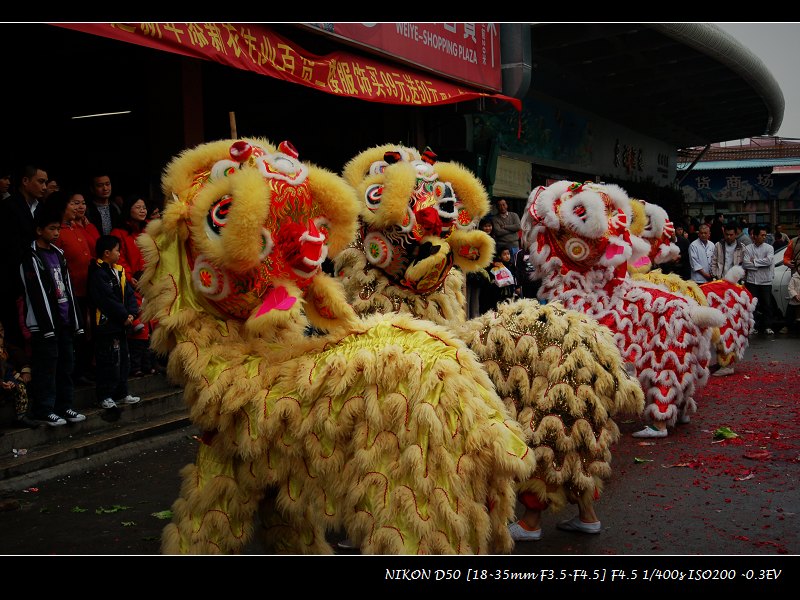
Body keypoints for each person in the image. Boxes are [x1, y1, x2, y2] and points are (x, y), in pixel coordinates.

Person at [19, 205, 86, 426]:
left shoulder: (58, 254)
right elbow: (36, 293)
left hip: (64, 320)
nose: (56, 233)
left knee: (66, 365)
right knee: (47, 367)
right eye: (52, 228)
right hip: (45, 324)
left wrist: (75, 322)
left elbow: (68, 287)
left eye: (58, 228)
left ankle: (64, 406)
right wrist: (46, 327)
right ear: (39, 230)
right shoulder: (31, 257)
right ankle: (44, 408)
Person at [87, 235, 141, 410]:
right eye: (117, 250)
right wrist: (124, 315)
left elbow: (130, 295)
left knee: (123, 360)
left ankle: (122, 392)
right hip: (106, 326)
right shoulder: (97, 273)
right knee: (107, 360)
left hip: (121, 325)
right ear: (107, 253)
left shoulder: (119, 271)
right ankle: (105, 395)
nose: (119, 254)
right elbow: (107, 299)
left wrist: (132, 313)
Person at [51, 190, 98, 384]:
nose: (76, 208)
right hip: (70, 292)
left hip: (88, 288)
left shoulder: (78, 228)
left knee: (89, 330)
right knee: (76, 332)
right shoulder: (57, 232)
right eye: (72, 204)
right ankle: (76, 373)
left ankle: (86, 368)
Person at [0, 164, 49, 350]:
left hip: (37, 276)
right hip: (14, 278)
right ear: (26, 181)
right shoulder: (8, 207)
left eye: (46, 182)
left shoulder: (40, 208)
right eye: (41, 181)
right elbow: (10, 248)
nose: (44, 187)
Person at [0, 321, 38, 429]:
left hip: (6, 380)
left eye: (1, 330)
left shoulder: (6, 348)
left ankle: (22, 416)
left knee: (20, 386)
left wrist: (16, 377)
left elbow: (8, 368)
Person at [743, 224, 775, 335]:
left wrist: (755, 261)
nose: (764, 237)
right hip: (752, 281)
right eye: (762, 235)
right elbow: (746, 264)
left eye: (765, 235)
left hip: (766, 281)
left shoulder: (769, 247)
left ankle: (767, 326)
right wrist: (759, 263)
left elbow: (769, 261)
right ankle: (753, 326)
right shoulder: (748, 248)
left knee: (767, 304)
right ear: (754, 236)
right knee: (752, 306)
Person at [85, 171, 121, 236]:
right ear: (92, 189)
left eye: (107, 184)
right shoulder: (87, 209)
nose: (105, 188)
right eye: (100, 185)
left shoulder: (115, 207)